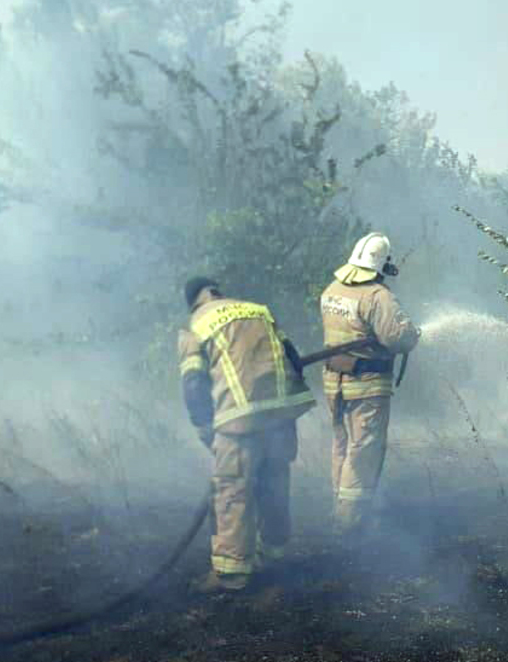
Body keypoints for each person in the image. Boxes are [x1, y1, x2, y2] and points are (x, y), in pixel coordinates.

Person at [178, 277, 318, 593]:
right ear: (217, 291)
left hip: (238, 420)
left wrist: (204, 427)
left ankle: (230, 573)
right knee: (274, 482)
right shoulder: (258, 311)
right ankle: (275, 554)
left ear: (193, 302)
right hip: (281, 414)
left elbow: (193, 383)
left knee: (232, 491)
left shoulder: (195, 325)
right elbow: (293, 357)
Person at [319, 233, 420, 540]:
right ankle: (349, 524)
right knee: (363, 452)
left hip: (334, 384)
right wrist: (413, 333)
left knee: (342, 446)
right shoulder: (378, 296)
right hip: (366, 386)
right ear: (381, 263)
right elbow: (398, 338)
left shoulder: (332, 290)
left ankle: (340, 508)